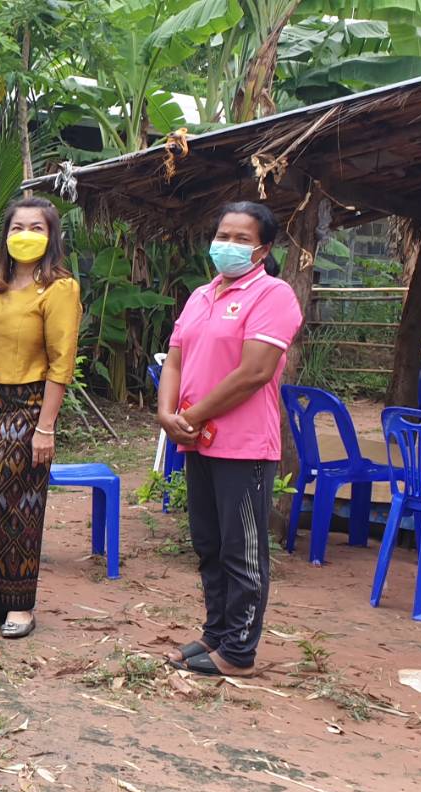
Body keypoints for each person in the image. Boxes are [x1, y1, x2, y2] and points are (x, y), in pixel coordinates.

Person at [158, 201, 302, 677]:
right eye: (224, 234)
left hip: (243, 445)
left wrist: (192, 414)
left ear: (263, 248)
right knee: (208, 542)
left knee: (242, 548)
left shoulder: (273, 294)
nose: (229, 245)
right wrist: (166, 413)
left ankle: (239, 650)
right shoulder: (201, 295)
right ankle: (216, 632)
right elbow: (174, 358)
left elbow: (255, 371)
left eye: (242, 238)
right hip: (195, 438)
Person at [0, 198, 82, 639]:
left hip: (27, 404)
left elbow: (60, 361)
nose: (26, 234)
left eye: (36, 226)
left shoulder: (59, 289)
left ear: (51, 236)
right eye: (17, 226)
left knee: (18, 503)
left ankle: (19, 605)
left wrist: (45, 426)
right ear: (5, 235)